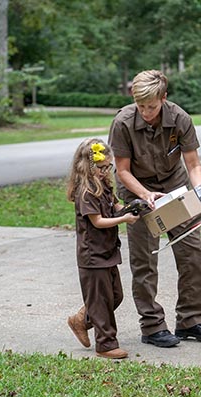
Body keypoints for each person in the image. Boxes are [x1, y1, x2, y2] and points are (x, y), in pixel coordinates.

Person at [108, 70, 201, 348]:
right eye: (141, 105)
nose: (146, 112)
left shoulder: (180, 118)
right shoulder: (123, 122)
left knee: (192, 252)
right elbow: (122, 170)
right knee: (145, 261)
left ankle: (190, 321)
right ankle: (152, 326)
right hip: (139, 190)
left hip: (174, 188)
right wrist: (146, 195)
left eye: (152, 106)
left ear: (164, 98)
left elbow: (194, 165)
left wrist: (200, 191)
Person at [66, 138, 140, 359]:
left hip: (108, 252)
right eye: (101, 167)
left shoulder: (105, 185)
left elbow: (116, 206)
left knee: (115, 296)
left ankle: (81, 319)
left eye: (108, 166)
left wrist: (134, 207)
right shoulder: (86, 192)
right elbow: (97, 221)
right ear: (86, 167)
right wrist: (124, 219)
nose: (106, 171)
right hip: (92, 256)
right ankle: (106, 344)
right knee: (101, 302)